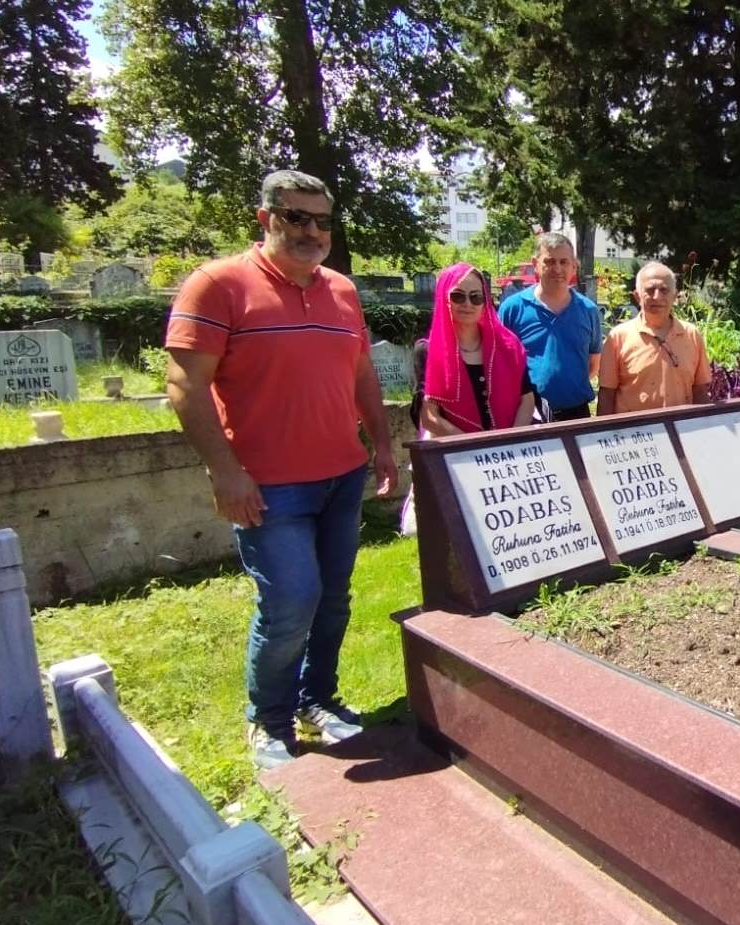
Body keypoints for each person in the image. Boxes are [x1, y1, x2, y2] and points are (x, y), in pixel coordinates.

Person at [164, 169, 398, 769]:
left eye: (322, 221)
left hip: (341, 476)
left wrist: (384, 446)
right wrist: (224, 471)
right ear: (266, 218)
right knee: (293, 600)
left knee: (334, 599)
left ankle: (317, 700)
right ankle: (267, 721)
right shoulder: (217, 285)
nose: (312, 232)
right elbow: (185, 384)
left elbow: (362, 376)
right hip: (268, 487)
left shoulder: (342, 291)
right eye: (297, 218)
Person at [422, 263, 536, 435]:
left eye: (476, 297)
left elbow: (527, 399)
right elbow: (429, 416)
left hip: (509, 449)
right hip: (455, 451)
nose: (468, 304)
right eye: (458, 296)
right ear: (443, 297)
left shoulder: (508, 346)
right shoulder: (428, 350)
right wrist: (473, 446)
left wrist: (510, 440)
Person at [498, 232, 601, 422]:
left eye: (564, 262)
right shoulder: (512, 309)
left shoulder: (588, 311)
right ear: (535, 263)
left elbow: (593, 363)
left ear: (573, 266)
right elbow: (500, 364)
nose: (558, 269)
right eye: (550, 262)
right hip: (527, 414)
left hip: (576, 414)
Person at [597, 261, 711, 414]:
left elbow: (700, 390)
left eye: (664, 290)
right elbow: (606, 395)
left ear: (674, 296)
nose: (657, 297)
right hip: (635, 434)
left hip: (682, 432)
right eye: (650, 290)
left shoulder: (691, 335)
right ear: (637, 296)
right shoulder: (618, 338)